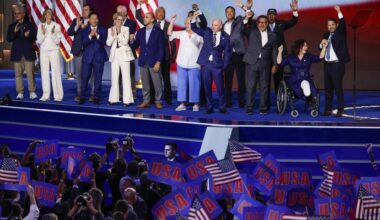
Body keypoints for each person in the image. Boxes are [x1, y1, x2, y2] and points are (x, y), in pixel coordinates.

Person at [136, 2, 177, 105]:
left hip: (166, 56)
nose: (160, 13)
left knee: (166, 79)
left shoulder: (169, 25)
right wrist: (139, 6)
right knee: (152, 79)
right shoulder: (151, 25)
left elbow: (173, 41)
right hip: (153, 56)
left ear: (164, 14)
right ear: (155, 15)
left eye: (162, 12)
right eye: (158, 12)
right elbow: (138, 17)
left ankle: (168, 100)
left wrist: (173, 56)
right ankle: (152, 100)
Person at [191, 11, 231, 114]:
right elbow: (194, 28)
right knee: (207, 86)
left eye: (215, 25)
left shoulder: (226, 37)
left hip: (217, 65)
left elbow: (227, 53)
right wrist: (194, 19)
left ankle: (222, 106)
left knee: (220, 88)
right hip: (206, 64)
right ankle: (209, 106)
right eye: (212, 24)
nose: (213, 27)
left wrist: (224, 67)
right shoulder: (207, 32)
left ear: (221, 26)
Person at [277, 39, 328, 107]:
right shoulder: (290, 57)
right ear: (299, 47)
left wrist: (324, 47)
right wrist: (280, 52)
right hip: (294, 80)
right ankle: (309, 97)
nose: (306, 47)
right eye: (304, 45)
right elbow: (279, 63)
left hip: (306, 78)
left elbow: (320, 58)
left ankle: (309, 97)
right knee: (305, 84)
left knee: (305, 83)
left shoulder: (309, 56)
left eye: (306, 46)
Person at [168, 15, 203, 112]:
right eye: (185, 23)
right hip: (182, 63)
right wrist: (172, 21)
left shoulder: (199, 35)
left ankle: (196, 104)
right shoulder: (182, 33)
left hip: (194, 64)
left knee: (194, 84)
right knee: (182, 84)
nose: (186, 25)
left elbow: (202, 48)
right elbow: (169, 33)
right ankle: (182, 104)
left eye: (188, 23)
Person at [131, 12, 165, 109]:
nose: (144, 18)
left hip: (154, 62)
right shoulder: (141, 31)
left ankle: (158, 101)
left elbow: (161, 49)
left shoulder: (158, 32)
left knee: (157, 83)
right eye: (144, 17)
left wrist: (158, 62)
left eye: (147, 17)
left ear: (152, 20)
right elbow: (135, 45)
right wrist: (130, 40)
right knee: (145, 83)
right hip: (143, 61)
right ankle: (146, 101)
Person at [321, 6, 350, 117]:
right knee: (328, 89)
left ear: (336, 25)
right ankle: (328, 109)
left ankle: (340, 109)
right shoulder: (326, 35)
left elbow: (342, 23)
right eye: (329, 25)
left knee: (338, 88)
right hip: (327, 65)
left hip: (337, 65)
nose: (331, 27)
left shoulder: (340, 33)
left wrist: (339, 12)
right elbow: (321, 47)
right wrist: (321, 44)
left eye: (333, 24)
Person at [267, 0, 299, 98]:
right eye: (270, 14)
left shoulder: (281, 24)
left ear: (276, 15)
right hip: (267, 56)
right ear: (267, 15)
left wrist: (294, 11)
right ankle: (265, 103)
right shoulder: (262, 25)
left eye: (273, 14)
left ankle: (279, 102)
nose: (271, 16)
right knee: (266, 81)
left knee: (278, 80)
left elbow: (293, 21)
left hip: (279, 56)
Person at [7, 6, 37, 100]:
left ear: (23, 14)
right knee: (18, 75)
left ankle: (32, 92)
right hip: (17, 54)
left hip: (28, 53)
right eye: (15, 13)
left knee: (30, 74)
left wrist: (28, 36)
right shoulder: (12, 26)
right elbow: (9, 39)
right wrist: (15, 32)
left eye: (18, 13)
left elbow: (34, 37)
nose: (16, 15)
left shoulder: (30, 25)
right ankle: (20, 92)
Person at [78, 12, 108, 105]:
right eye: (92, 18)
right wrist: (90, 35)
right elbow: (84, 43)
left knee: (98, 78)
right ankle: (82, 97)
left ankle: (96, 97)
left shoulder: (103, 29)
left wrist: (97, 35)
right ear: (89, 20)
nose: (94, 20)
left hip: (99, 57)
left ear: (98, 20)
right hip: (87, 58)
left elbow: (103, 42)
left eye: (96, 18)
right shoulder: (84, 30)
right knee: (85, 77)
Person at [68, 4, 95, 102]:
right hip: (78, 51)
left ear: (91, 11)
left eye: (86, 10)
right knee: (79, 75)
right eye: (83, 10)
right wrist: (77, 26)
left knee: (92, 75)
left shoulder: (94, 21)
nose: (84, 12)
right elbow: (69, 32)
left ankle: (93, 95)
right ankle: (80, 94)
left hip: (90, 52)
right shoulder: (77, 20)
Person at [106, 12, 135, 106]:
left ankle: (127, 100)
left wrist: (118, 33)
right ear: (114, 20)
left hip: (124, 54)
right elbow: (108, 43)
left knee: (126, 78)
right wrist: (113, 34)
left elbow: (125, 41)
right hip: (115, 55)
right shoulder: (110, 30)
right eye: (118, 19)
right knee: (114, 77)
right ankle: (113, 99)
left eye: (121, 20)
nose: (119, 21)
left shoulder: (126, 29)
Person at [36, 8, 64, 102]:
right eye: (47, 13)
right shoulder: (41, 26)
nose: (49, 14)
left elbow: (57, 41)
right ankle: (45, 95)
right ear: (44, 15)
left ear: (52, 15)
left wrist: (52, 33)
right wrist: (43, 33)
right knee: (44, 73)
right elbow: (39, 41)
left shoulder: (57, 26)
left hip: (54, 50)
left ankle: (58, 95)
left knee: (55, 72)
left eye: (50, 13)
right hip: (43, 51)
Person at [223, 5, 248, 108]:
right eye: (227, 12)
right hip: (228, 55)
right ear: (225, 14)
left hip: (239, 54)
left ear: (234, 13)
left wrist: (244, 6)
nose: (229, 13)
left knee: (241, 80)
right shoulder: (223, 25)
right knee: (228, 80)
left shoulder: (239, 21)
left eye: (231, 11)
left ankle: (242, 102)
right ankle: (228, 102)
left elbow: (249, 15)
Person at [116, 5, 138, 100]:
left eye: (120, 12)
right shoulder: (114, 23)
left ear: (125, 13)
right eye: (117, 12)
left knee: (130, 75)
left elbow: (130, 38)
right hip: (118, 53)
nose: (118, 14)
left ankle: (132, 94)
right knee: (119, 75)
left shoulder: (131, 23)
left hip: (128, 52)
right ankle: (120, 94)